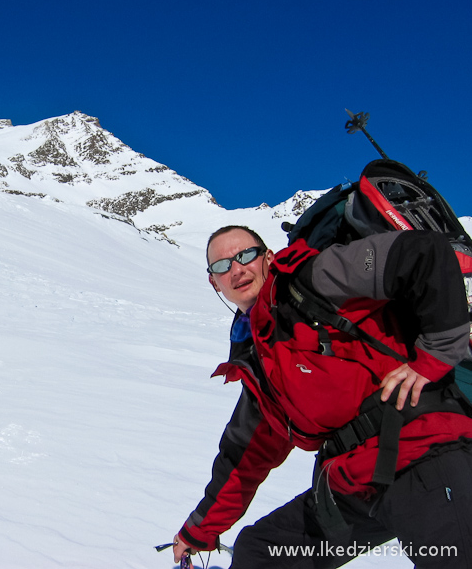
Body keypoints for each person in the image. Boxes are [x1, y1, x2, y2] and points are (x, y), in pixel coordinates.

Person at [171, 225, 472, 568]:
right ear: (214, 282)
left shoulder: (315, 279)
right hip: (353, 484)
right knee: (262, 552)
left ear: (268, 257)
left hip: (424, 455)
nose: (236, 269)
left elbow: (423, 250)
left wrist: (434, 357)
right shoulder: (260, 358)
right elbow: (243, 457)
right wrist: (197, 531)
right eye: (222, 266)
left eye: (245, 256)